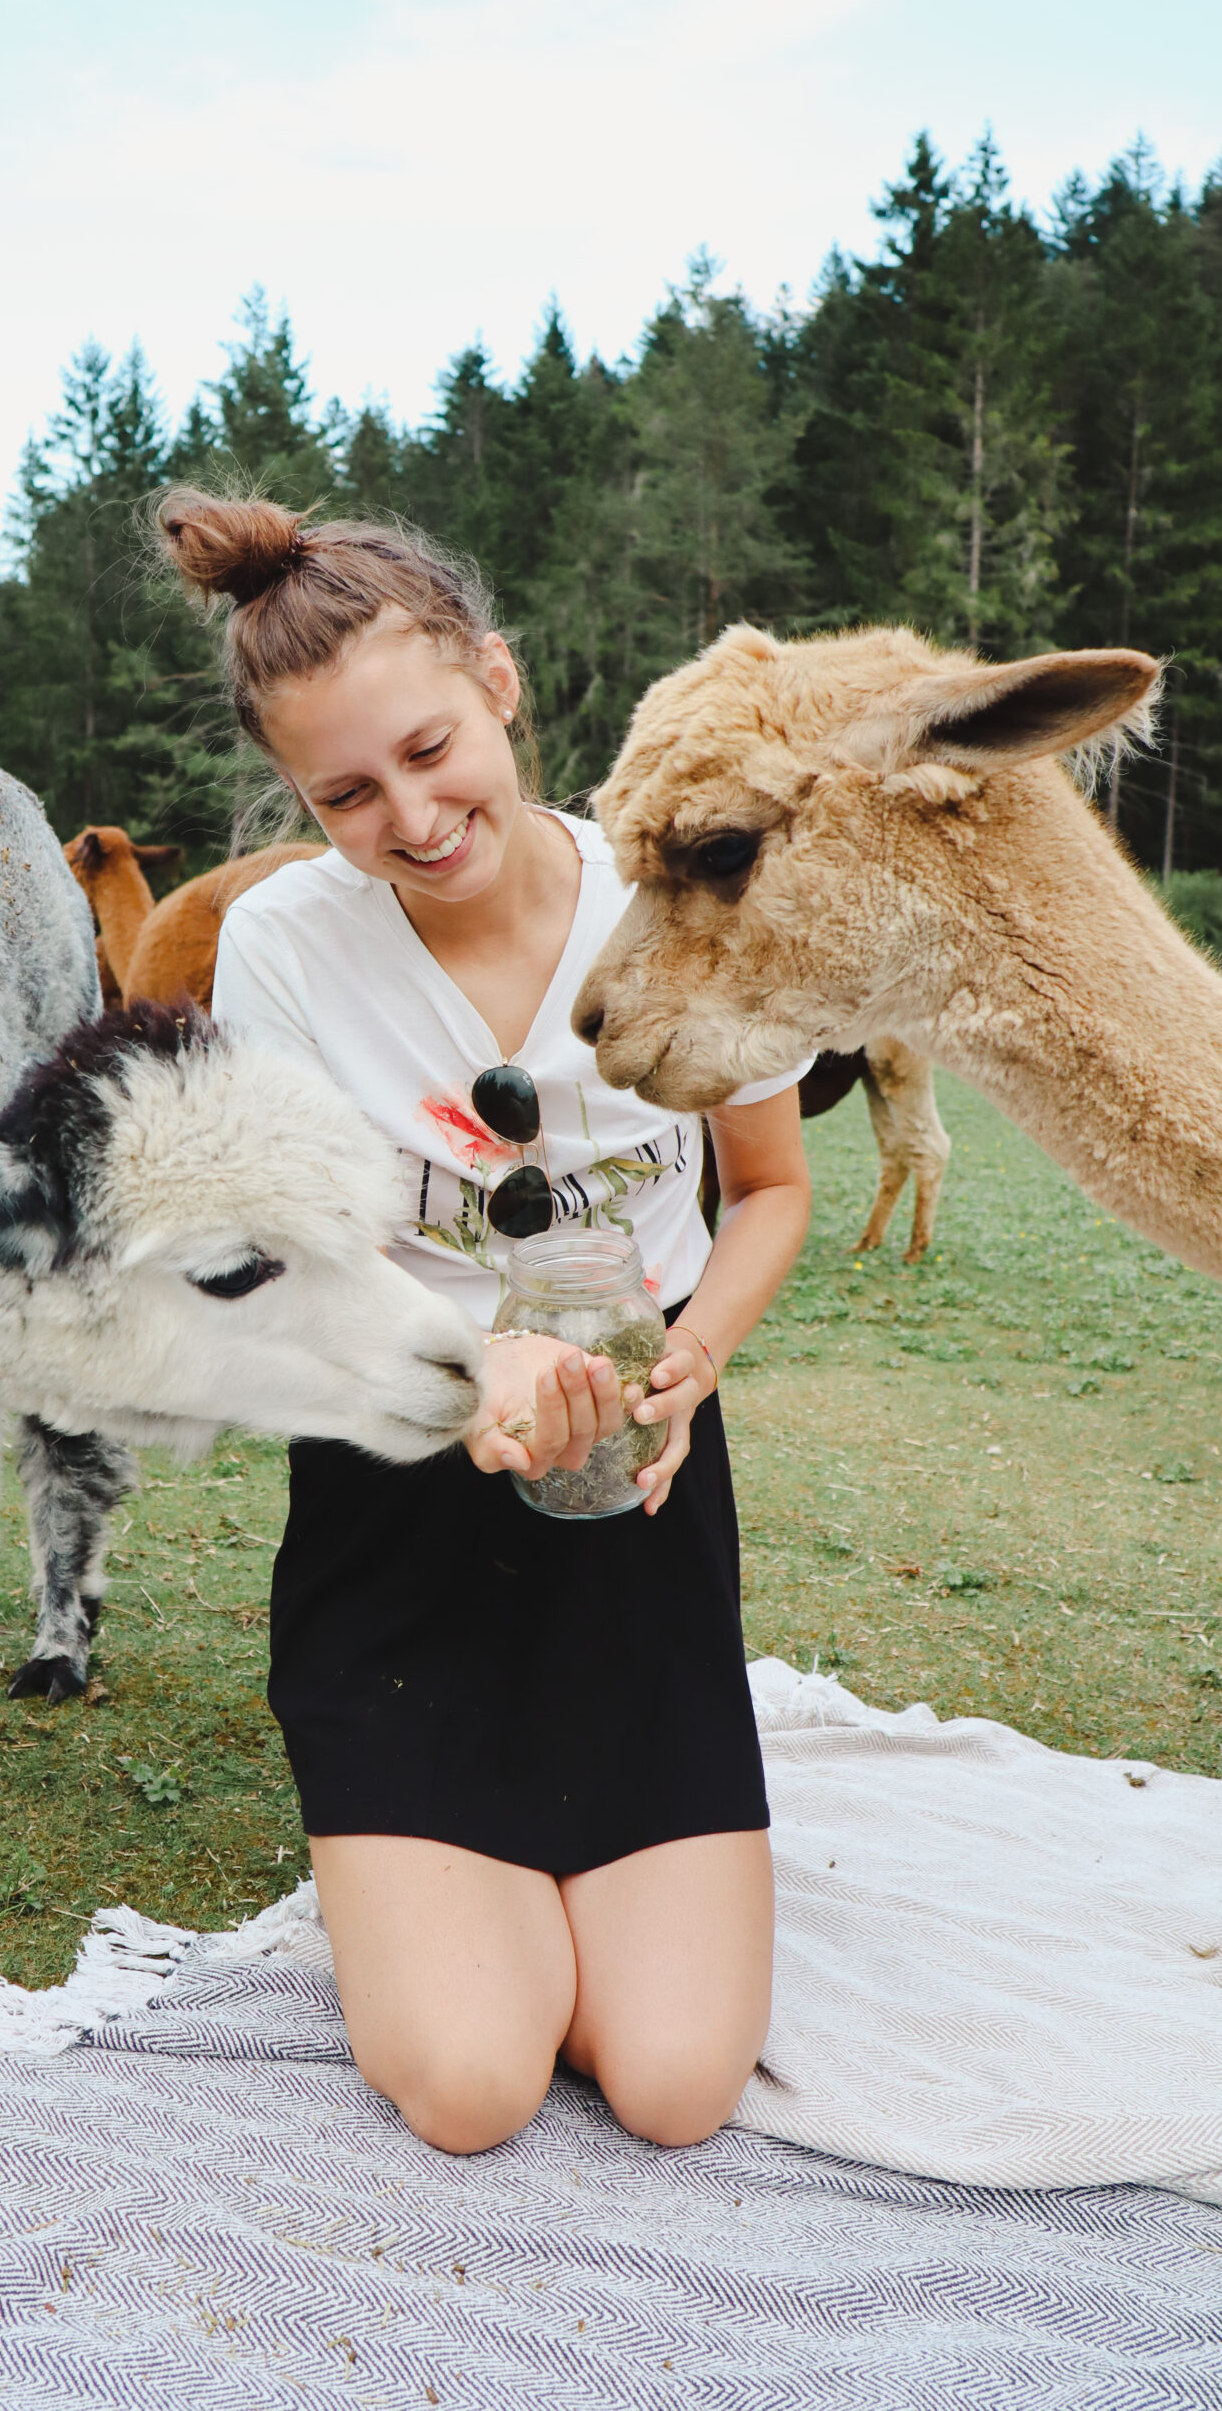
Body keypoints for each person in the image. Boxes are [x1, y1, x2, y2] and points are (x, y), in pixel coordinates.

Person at [165, 491, 811, 2158]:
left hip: (640, 1510)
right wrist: (472, 1366)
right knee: (473, 2087)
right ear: (305, 803)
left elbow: (770, 1191)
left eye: (432, 749)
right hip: (401, 1528)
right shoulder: (284, 946)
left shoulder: (679, 899)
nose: (413, 815)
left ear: (502, 686)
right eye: (348, 794)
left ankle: (547, 1872)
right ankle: (426, 1870)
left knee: (675, 2086)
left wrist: (699, 1353)